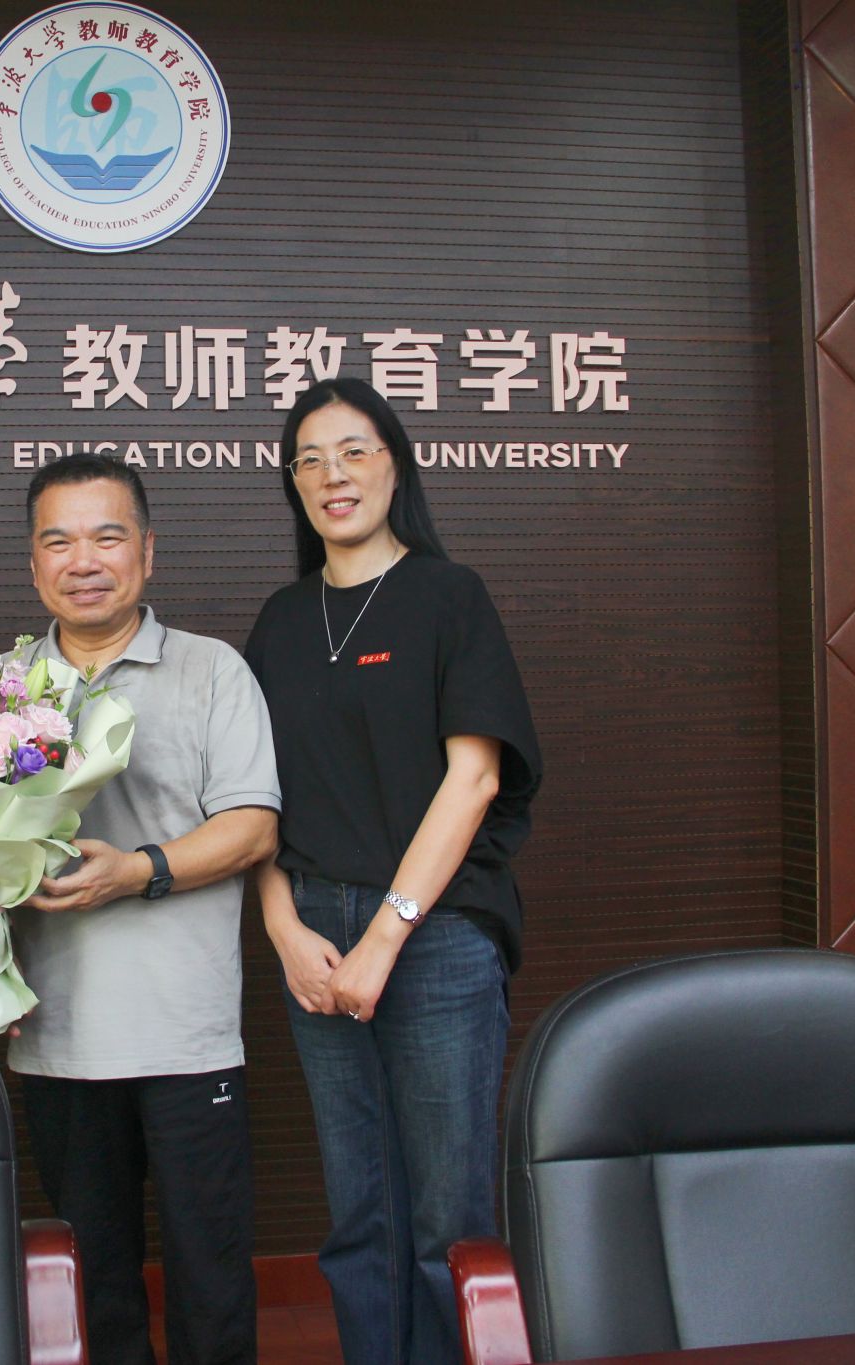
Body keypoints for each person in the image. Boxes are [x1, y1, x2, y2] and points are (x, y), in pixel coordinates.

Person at [243, 378, 542, 1365]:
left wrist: (384, 935)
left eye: (354, 451)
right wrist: (285, 932)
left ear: (395, 465)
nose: (332, 475)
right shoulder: (281, 620)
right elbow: (254, 803)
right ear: (292, 485)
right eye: (309, 459)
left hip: (435, 934)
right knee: (360, 1209)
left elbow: (474, 778)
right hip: (314, 936)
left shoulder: (449, 596)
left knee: (447, 1218)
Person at [9, 454, 281, 1365]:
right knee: (93, 1284)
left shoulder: (212, 669)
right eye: (59, 541)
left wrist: (138, 870)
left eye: (107, 536)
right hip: (56, 1035)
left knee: (211, 1274)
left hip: (185, 1033)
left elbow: (252, 828)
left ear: (147, 552)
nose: (83, 560)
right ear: (34, 564)